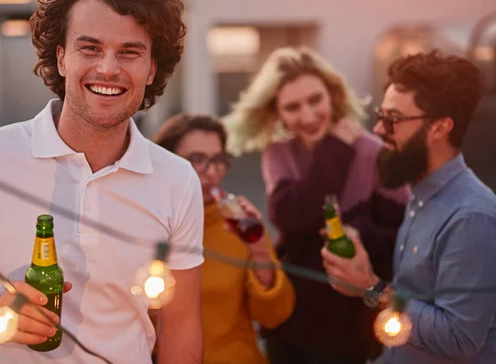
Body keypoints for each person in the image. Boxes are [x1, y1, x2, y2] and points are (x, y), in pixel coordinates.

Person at [0, 0, 203, 363]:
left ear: (152, 69)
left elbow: (181, 324)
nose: (108, 68)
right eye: (90, 47)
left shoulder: (178, 179)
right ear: (61, 57)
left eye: (129, 52)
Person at [222, 46, 410, 364]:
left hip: (348, 323)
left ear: (332, 96)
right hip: (291, 316)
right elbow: (290, 216)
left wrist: (359, 231)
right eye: (292, 107)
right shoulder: (279, 152)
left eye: (315, 100)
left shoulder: (372, 151)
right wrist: (335, 149)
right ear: (276, 112)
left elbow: (406, 235)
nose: (307, 116)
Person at [321, 49, 496, 363]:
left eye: (394, 120)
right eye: (380, 116)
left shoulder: (471, 217)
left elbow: (459, 338)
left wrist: (370, 287)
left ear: (440, 128)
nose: (378, 130)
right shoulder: (421, 195)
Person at [152, 113, 295, 364]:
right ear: (167, 162)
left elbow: (274, 315)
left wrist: (260, 252)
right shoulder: (146, 221)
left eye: (218, 160)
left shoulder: (238, 225)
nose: (212, 172)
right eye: (197, 160)